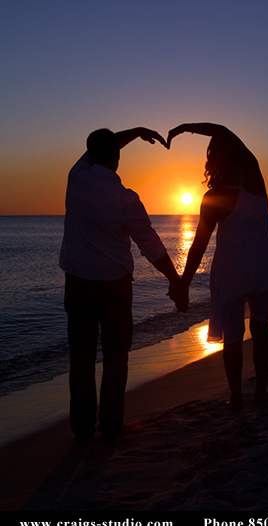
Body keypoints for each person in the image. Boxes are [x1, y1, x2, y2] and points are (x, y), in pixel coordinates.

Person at [60, 127, 185, 439]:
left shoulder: (76, 178)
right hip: (115, 287)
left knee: (81, 356)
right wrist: (176, 282)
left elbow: (105, 145)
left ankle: (82, 427)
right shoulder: (126, 200)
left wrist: (136, 132)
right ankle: (111, 424)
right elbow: (152, 247)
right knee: (116, 355)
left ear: (90, 152)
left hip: (78, 282)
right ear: (117, 157)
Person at [167, 123, 268, 409]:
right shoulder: (256, 178)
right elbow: (224, 130)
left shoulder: (213, 197)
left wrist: (183, 284)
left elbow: (199, 246)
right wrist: (187, 128)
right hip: (263, 264)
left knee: (232, 337)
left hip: (232, 270)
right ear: (238, 151)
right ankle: (262, 391)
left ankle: (237, 397)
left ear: (213, 158)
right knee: (262, 328)